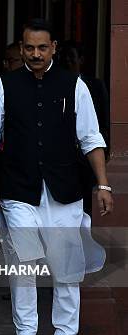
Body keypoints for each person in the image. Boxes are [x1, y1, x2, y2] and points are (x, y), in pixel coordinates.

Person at [0, 19, 113, 335]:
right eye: (29, 48)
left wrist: (102, 184)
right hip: (17, 190)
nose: (36, 54)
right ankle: (25, 334)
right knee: (23, 264)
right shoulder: (3, 86)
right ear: (21, 48)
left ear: (54, 47)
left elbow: (91, 138)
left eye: (43, 48)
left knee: (67, 268)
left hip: (65, 190)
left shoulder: (76, 85)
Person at [58, 40, 111, 216]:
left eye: (71, 58)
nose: (67, 62)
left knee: (84, 213)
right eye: (64, 58)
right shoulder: (54, 85)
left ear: (81, 60)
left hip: (85, 161)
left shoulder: (95, 85)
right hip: (61, 162)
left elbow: (103, 122)